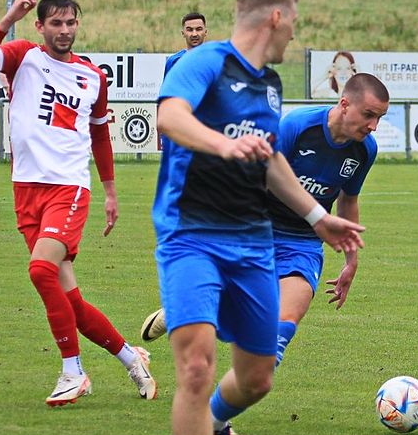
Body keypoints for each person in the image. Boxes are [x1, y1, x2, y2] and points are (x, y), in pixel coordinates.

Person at [154, 0, 365, 435]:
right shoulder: (206, 61)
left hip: (251, 242)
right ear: (275, 17)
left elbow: (270, 161)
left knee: (257, 377)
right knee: (197, 367)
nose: (295, 33)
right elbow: (169, 117)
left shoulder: (269, 86)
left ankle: (218, 423)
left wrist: (319, 219)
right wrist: (224, 144)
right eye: (293, 21)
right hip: (192, 234)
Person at [0, 0, 157, 407]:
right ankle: (131, 358)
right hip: (26, 189)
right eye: (56, 23)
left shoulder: (93, 77)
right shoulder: (22, 56)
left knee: (41, 271)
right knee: (70, 299)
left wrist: (110, 191)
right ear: (40, 26)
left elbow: (100, 134)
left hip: (68, 189)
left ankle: (73, 371)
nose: (65, 30)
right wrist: (7, 19)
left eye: (71, 23)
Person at [143, 73, 390, 368]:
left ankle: (219, 398)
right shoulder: (297, 126)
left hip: (303, 243)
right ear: (345, 104)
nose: (374, 126)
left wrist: (351, 260)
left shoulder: (365, 150)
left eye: (379, 118)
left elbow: (347, 201)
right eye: (369, 115)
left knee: (276, 337)